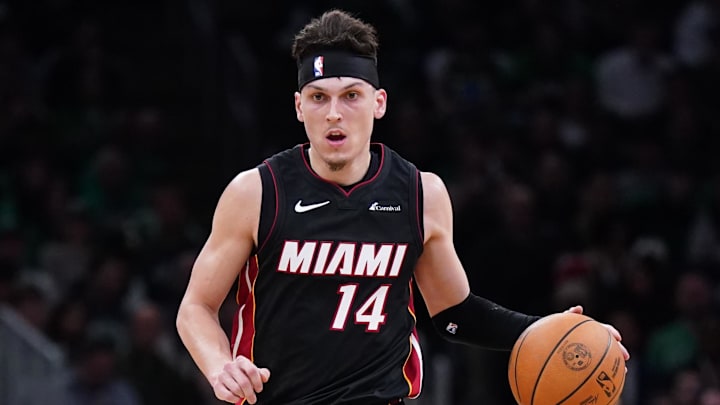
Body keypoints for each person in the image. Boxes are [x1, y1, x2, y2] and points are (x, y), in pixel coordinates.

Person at [175, 9, 630, 405]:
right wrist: (220, 366)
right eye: (319, 98)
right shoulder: (256, 191)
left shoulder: (420, 193)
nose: (334, 112)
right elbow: (195, 306)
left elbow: (453, 314)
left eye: (351, 95)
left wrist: (545, 331)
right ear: (299, 108)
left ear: (379, 103)